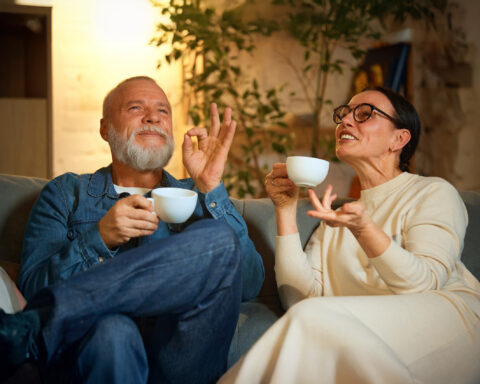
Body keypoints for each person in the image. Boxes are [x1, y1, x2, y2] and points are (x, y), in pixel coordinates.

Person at [0, 76, 264, 383]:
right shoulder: (67, 193)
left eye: (162, 111)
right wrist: (99, 238)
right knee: (112, 330)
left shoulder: (200, 195)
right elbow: (34, 286)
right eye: (135, 107)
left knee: (220, 240)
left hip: (183, 356)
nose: (152, 116)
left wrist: (211, 189)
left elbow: (249, 284)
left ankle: (37, 327)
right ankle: (44, 326)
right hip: (101, 351)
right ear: (105, 128)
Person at [219, 86, 480, 384]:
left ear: (399, 139)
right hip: (368, 337)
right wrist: (284, 209)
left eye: (365, 114)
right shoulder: (338, 217)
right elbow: (300, 300)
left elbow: (424, 283)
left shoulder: (432, 192)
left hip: (449, 327)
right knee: (313, 321)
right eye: (343, 114)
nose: (345, 121)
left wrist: (364, 230)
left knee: (314, 320)